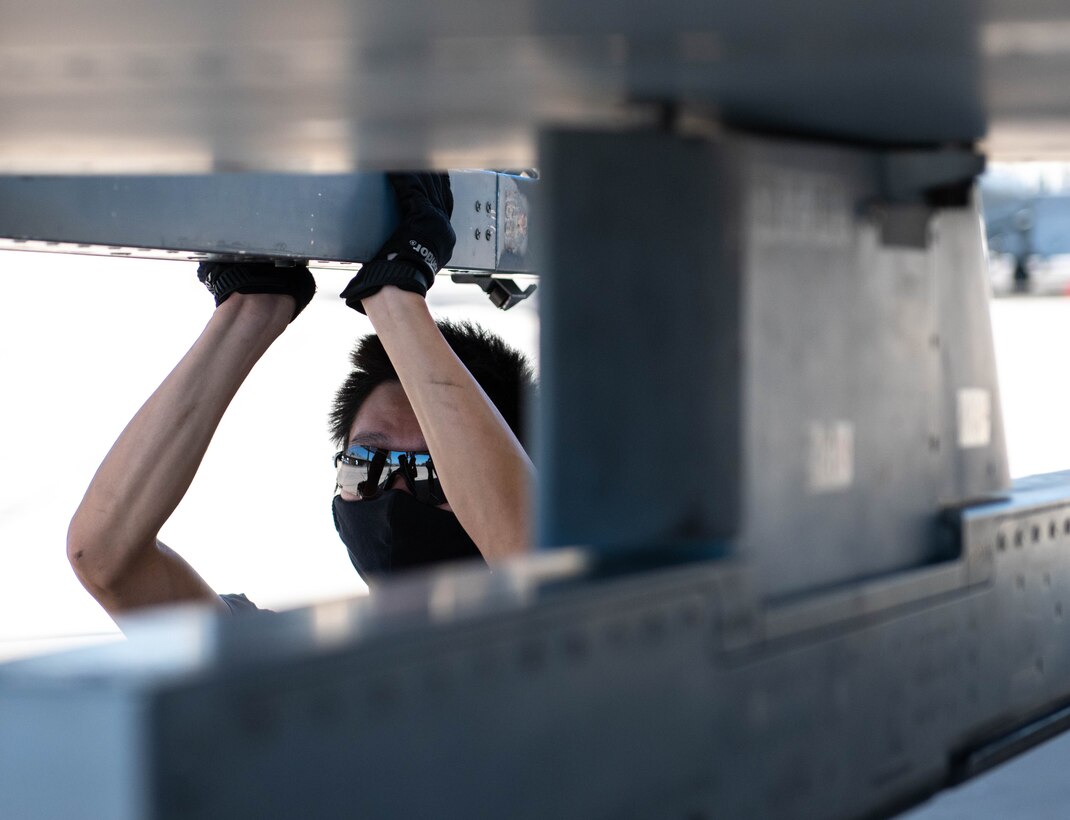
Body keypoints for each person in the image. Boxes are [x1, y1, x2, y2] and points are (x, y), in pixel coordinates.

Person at [66, 174, 536, 619]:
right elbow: (106, 558)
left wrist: (395, 298)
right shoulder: (290, 674)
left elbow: (536, 565)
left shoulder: (572, 650)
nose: (393, 495)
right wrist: (251, 310)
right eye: (364, 466)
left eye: (435, 475)